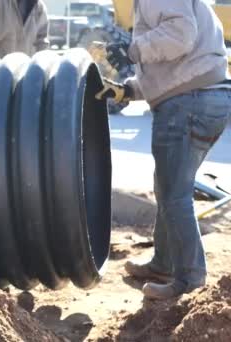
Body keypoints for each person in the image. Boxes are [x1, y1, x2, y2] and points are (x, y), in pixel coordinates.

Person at [97, 0, 231, 300]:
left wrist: (132, 50)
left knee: (175, 196)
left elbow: (180, 35)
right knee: (169, 187)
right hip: (203, 97)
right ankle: (164, 263)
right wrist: (128, 90)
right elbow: (176, 64)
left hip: (188, 104)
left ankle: (189, 282)